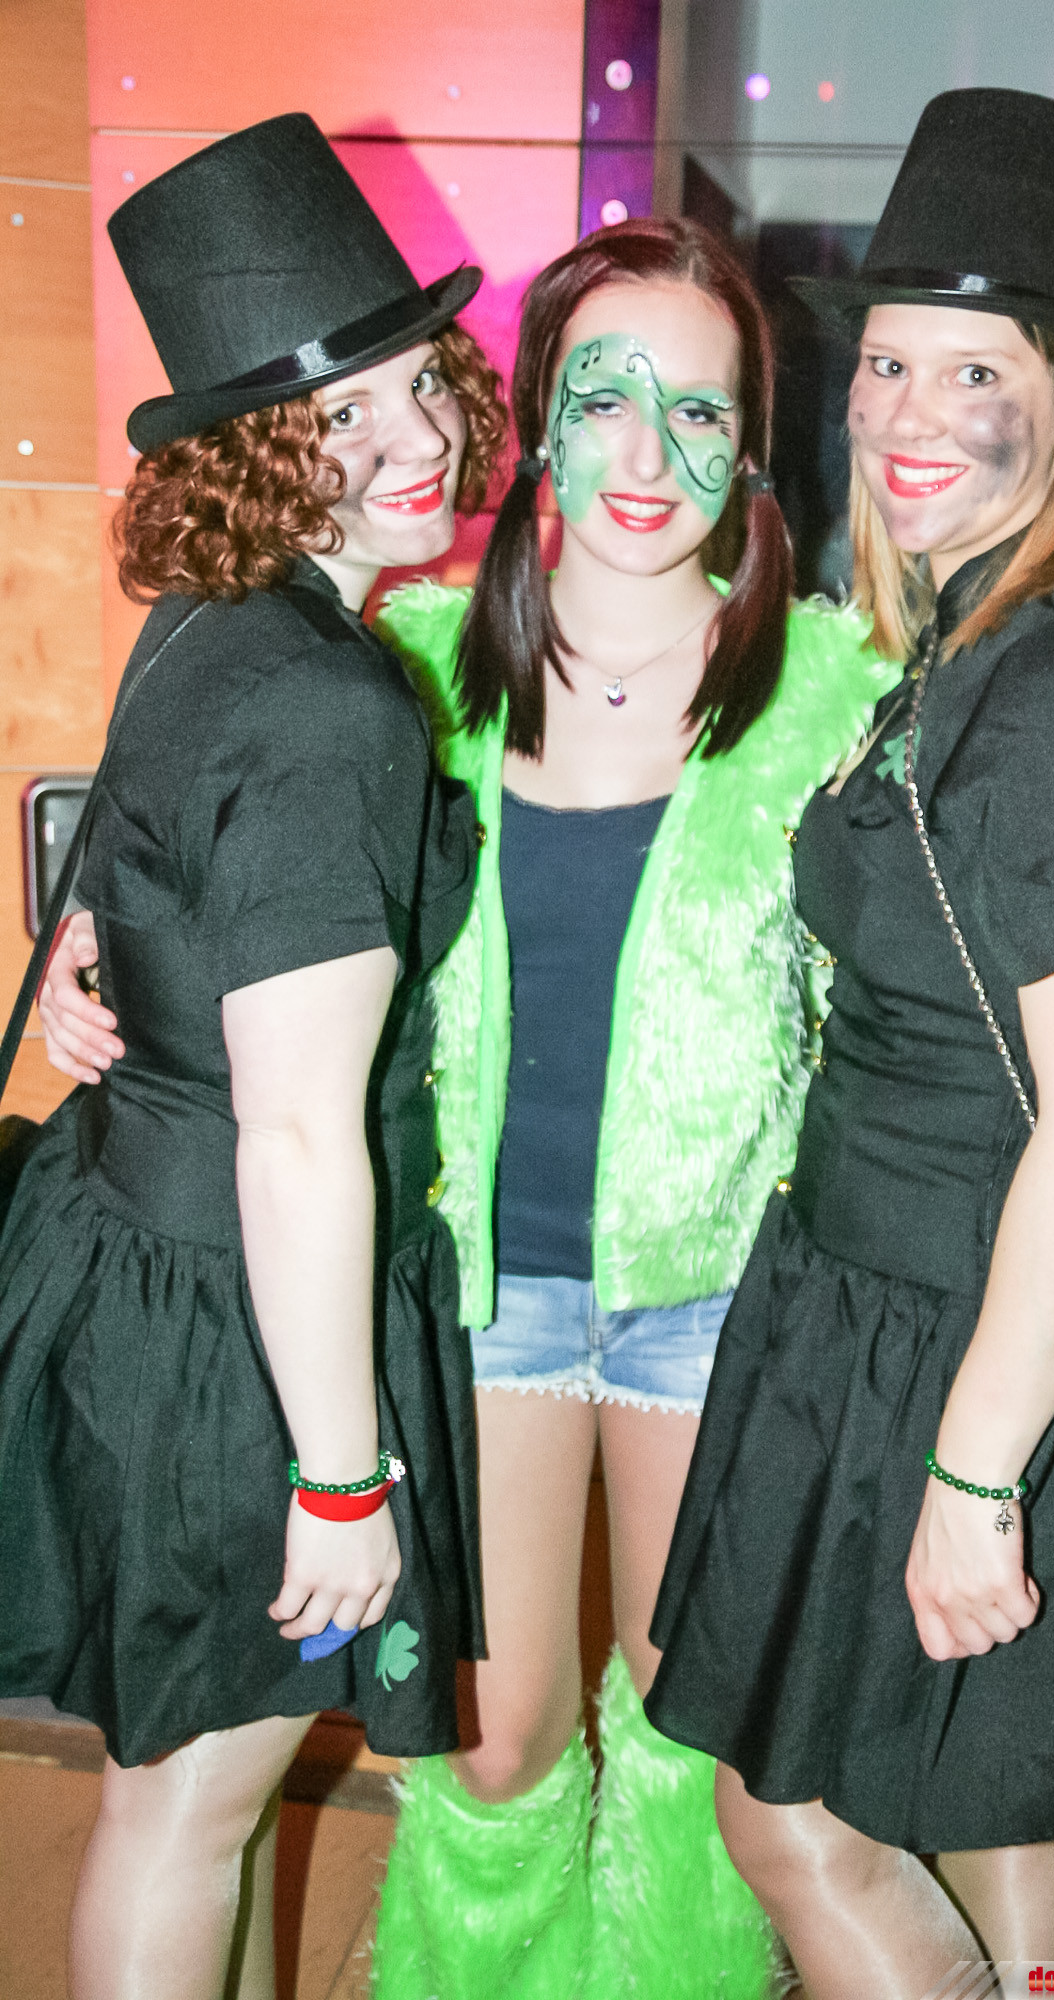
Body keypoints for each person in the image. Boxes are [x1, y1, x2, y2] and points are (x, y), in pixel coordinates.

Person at [43, 216, 899, 1996]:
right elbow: (219, 845)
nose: (646, 454)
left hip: (714, 1292)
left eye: (699, 408)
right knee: (490, 1750)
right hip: (464, 1287)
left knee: (691, 1739)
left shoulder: (839, 690)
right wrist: (95, 956)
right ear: (535, 411)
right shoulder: (409, 656)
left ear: (753, 439)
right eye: (602, 398)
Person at [643, 90, 1054, 1998]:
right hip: (893, 1303)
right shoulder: (975, 644)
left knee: (793, 1822)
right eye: (886, 362)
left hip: (969, 1339)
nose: (904, 412)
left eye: (972, 370)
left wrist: (976, 1472)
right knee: (1003, 1799)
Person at [1, 113, 506, 2000]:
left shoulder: (205, 627)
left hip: (138, 1255)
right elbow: (301, 1137)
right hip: (238, 1320)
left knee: (167, 1796)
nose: (416, 440)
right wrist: (344, 1478)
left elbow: (136, 880)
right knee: (197, 1805)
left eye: (419, 383)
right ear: (252, 455)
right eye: (340, 418)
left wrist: (99, 979)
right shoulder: (325, 702)